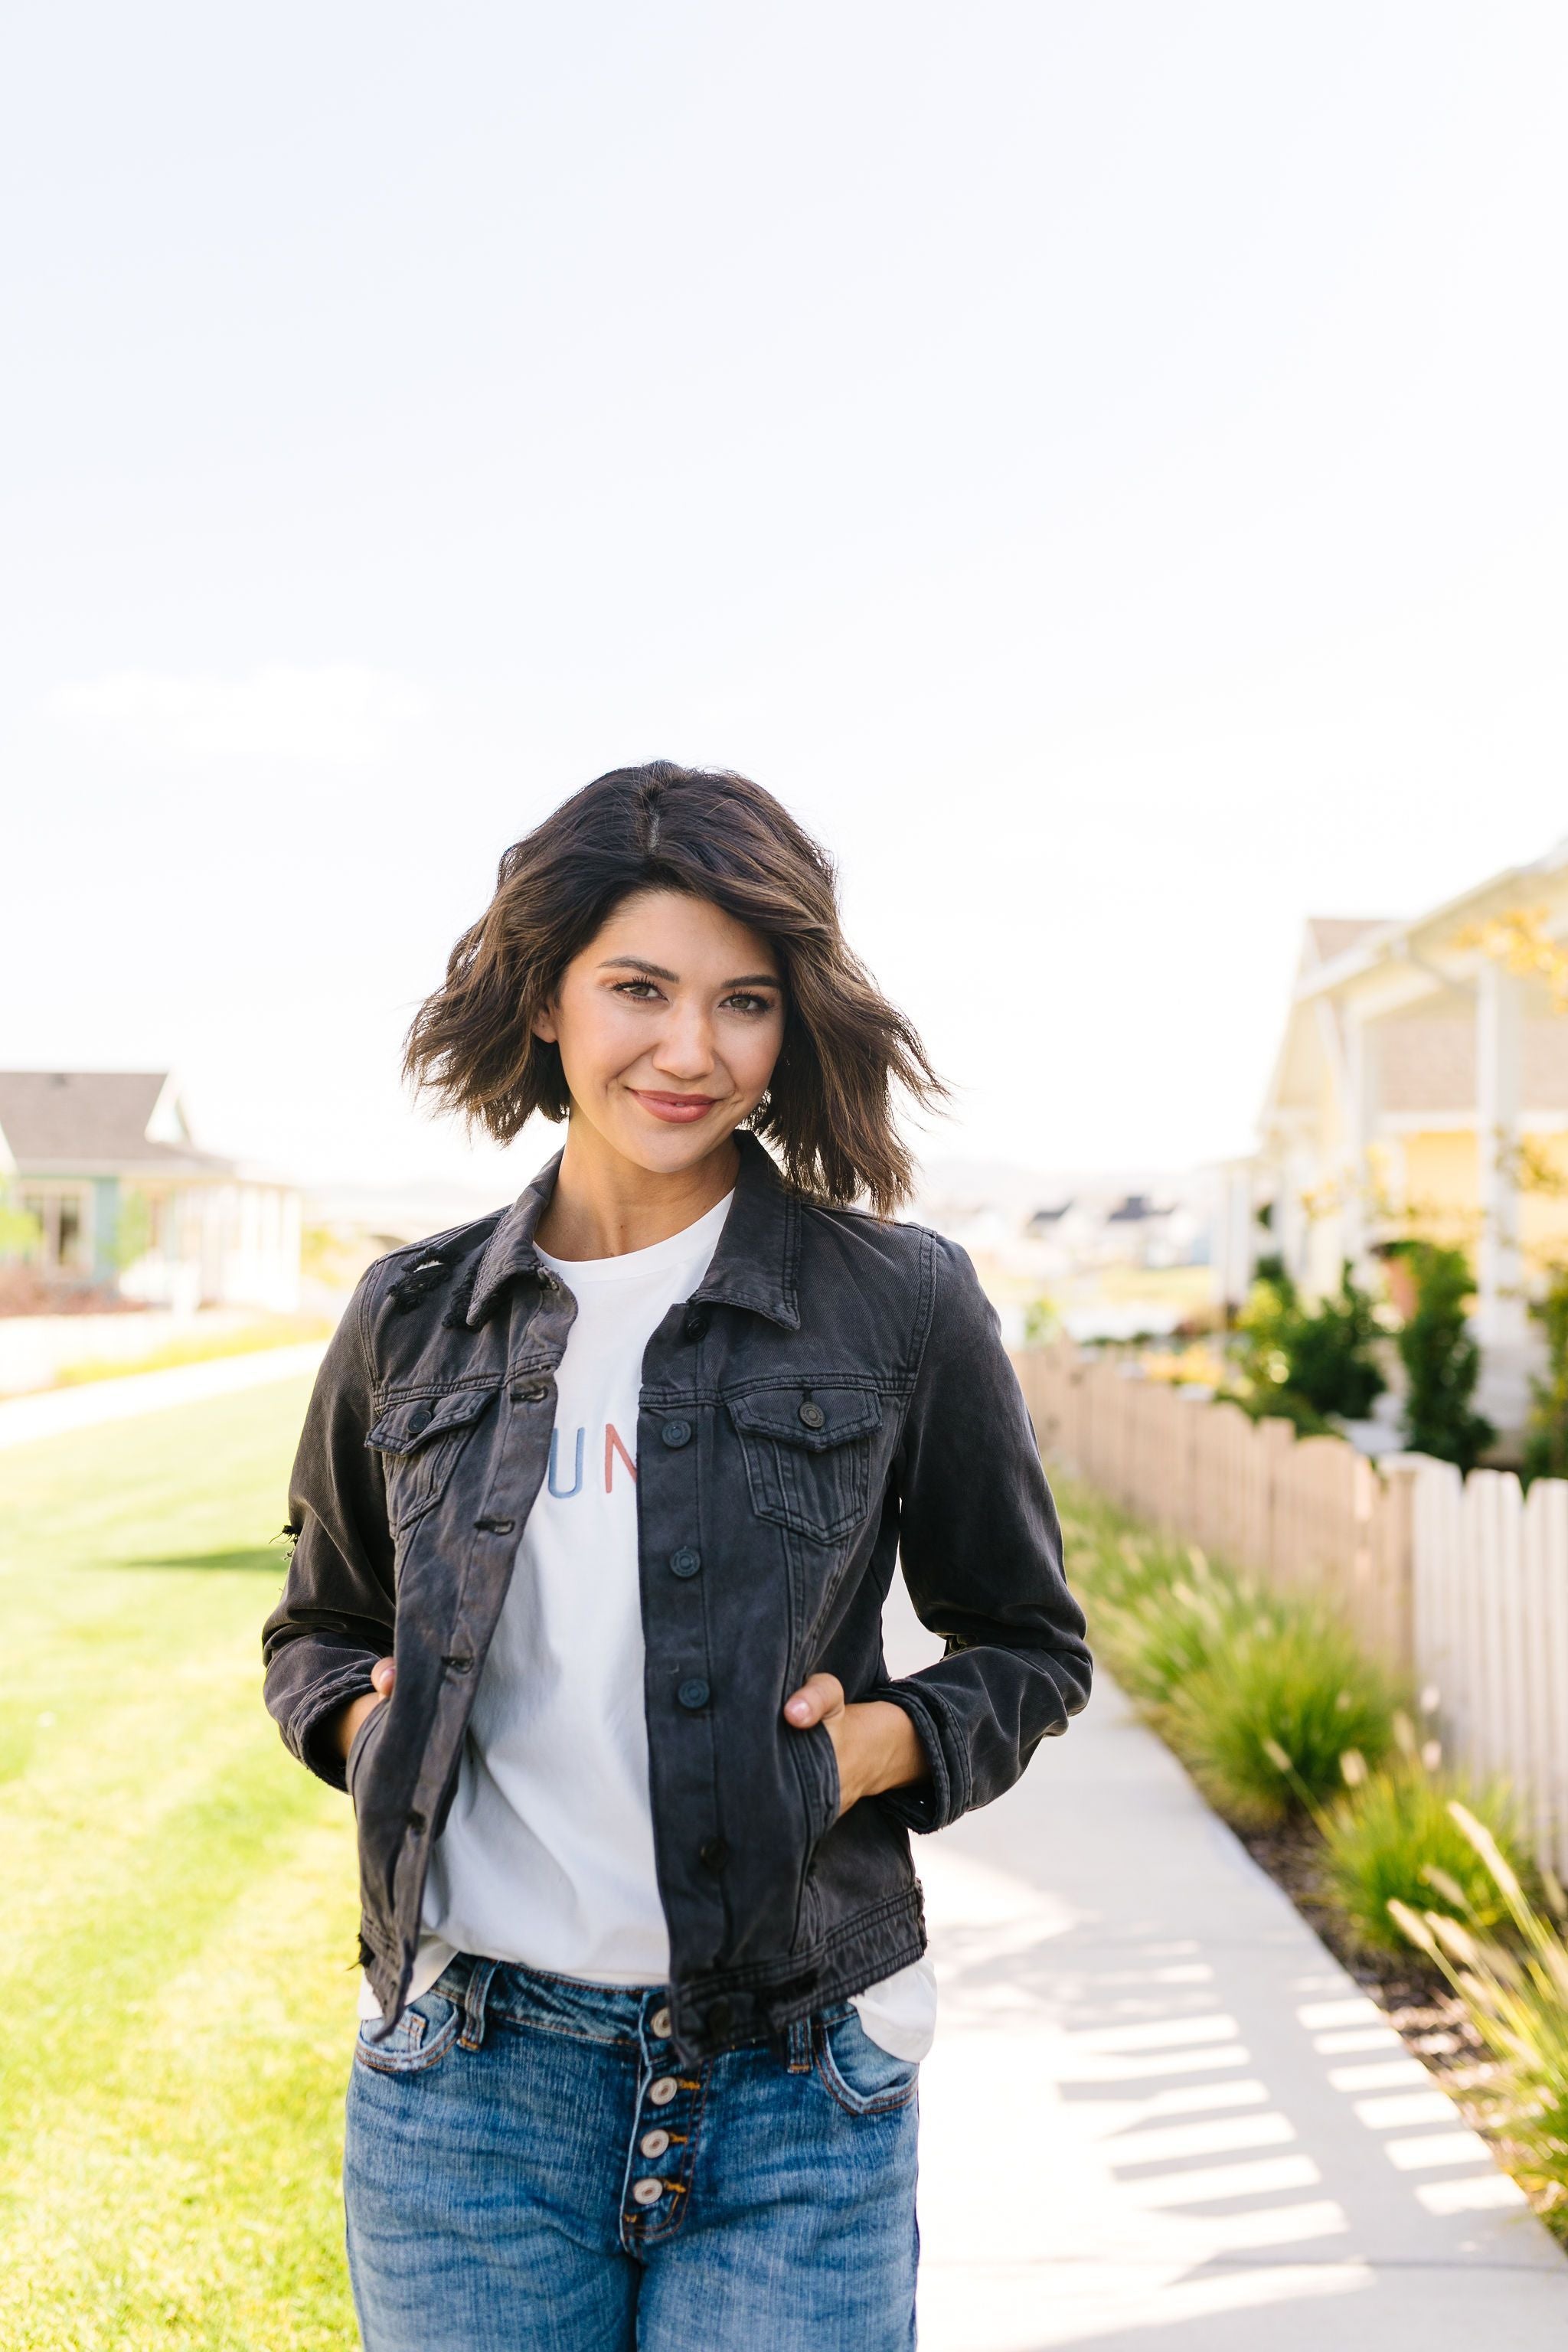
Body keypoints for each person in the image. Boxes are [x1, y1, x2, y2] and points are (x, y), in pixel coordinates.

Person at [262, 760, 1091, 2352]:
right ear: (546, 1000)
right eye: (638, 988)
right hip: (470, 2085)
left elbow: (1027, 1647)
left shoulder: (900, 1303)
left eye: (747, 1001)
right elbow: (318, 1627)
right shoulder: (410, 1315)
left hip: (795, 2086)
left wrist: (877, 1747)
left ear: (794, 1028)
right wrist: (372, 1729)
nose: (691, 1051)